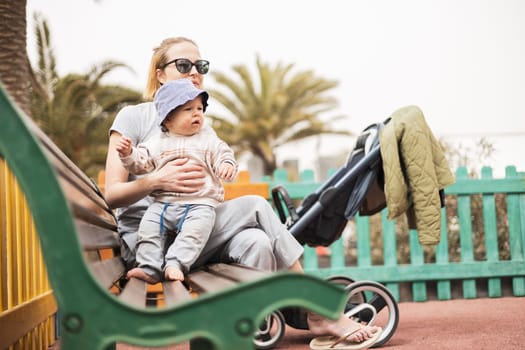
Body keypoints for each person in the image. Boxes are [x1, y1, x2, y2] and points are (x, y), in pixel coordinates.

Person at [104, 36, 381, 349]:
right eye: (184, 65)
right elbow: (112, 194)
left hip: (195, 232)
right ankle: (316, 310)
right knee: (255, 205)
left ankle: (244, 329)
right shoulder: (134, 117)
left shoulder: (200, 124)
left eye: (201, 66)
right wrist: (156, 181)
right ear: (160, 74)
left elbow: (216, 166)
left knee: (257, 242)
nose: (195, 72)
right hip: (150, 241)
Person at [115, 79, 238, 284]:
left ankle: (176, 263)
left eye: (199, 108)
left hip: (199, 204)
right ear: (168, 120)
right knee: (149, 227)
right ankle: (149, 267)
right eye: (188, 109)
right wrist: (128, 154)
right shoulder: (157, 143)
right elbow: (140, 163)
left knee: (194, 233)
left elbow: (223, 154)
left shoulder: (207, 140)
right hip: (163, 204)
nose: (196, 113)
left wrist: (226, 165)